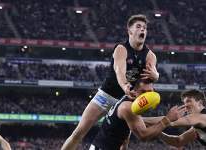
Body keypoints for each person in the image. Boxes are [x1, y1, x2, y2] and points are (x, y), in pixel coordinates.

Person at [61, 14, 159, 150]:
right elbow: (119, 70)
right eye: (138, 27)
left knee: (123, 143)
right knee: (79, 132)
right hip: (106, 96)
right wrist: (125, 86)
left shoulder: (150, 55)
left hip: (125, 101)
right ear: (130, 31)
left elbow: (151, 76)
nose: (142, 30)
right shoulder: (121, 49)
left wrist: (156, 75)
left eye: (144, 28)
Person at [89, 80, 185, 150]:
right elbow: (144, 136)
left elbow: (132, 125)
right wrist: (167, 120)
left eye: (150, 92)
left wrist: (171, 118)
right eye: (143, 92)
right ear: (134, 91)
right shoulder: (129, 107)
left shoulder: (129, 100)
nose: (146, 97)